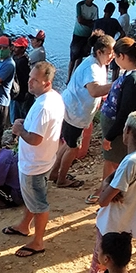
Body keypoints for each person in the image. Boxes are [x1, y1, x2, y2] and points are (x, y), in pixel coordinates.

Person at [4, 62, 65, 257]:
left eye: (35, 80)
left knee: (39, 203)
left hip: (35, 164)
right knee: (32, 197)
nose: (29, 82)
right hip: (44, 159)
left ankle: (38, 242)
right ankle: (24, 225)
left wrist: (19, 129)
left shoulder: (43, 107)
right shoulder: (53, 97)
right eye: (30, 77)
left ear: (47, 83)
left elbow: (36, 139)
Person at [89, 112, 136, 273]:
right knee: (117, 267)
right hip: (128, 222)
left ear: (128, 130)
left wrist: (105, 186)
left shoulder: (130, 161)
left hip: (112, 222)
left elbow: (103, 200)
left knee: (99, 268)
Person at [86, 38, 136, 204]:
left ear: (122, 56)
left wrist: (110, 135)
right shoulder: (132, 72)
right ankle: (108, 188)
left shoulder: (134, 79)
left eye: (115, 56)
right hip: (113, 123)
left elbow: (125, 112)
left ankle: (108, 191)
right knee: (113, 159)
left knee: (114, 160)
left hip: (118, 127)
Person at [50, 35, 115, 188]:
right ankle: (62, 179)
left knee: (68, 144)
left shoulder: (98, 64)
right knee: (73, 148)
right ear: (99, 52)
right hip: (74, 112)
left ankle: (54, 173)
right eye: (110, 52)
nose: (112, 56)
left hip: (75, 110)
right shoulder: (91, 67)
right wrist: (118, 83)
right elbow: (94, 90)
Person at [68, 0, 99, 83]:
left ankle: (75, 76)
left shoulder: (95, 8)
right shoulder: (80, 5)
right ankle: (69, 77)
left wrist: (88, 23)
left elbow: (95, 22)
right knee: (73, 57)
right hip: (78, 34)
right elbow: (80, 20)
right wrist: (90, 23)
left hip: (88, 35)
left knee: (81, 56)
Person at [11, 37, 33, 121]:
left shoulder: (23, 62)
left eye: (17, 47)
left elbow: (26, 79)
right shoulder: (16, 57)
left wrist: (27, 93)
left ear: (23, 49)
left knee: (17, 115)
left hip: (20, 94)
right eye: (14, 46)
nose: (14, 49)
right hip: (15, 92)